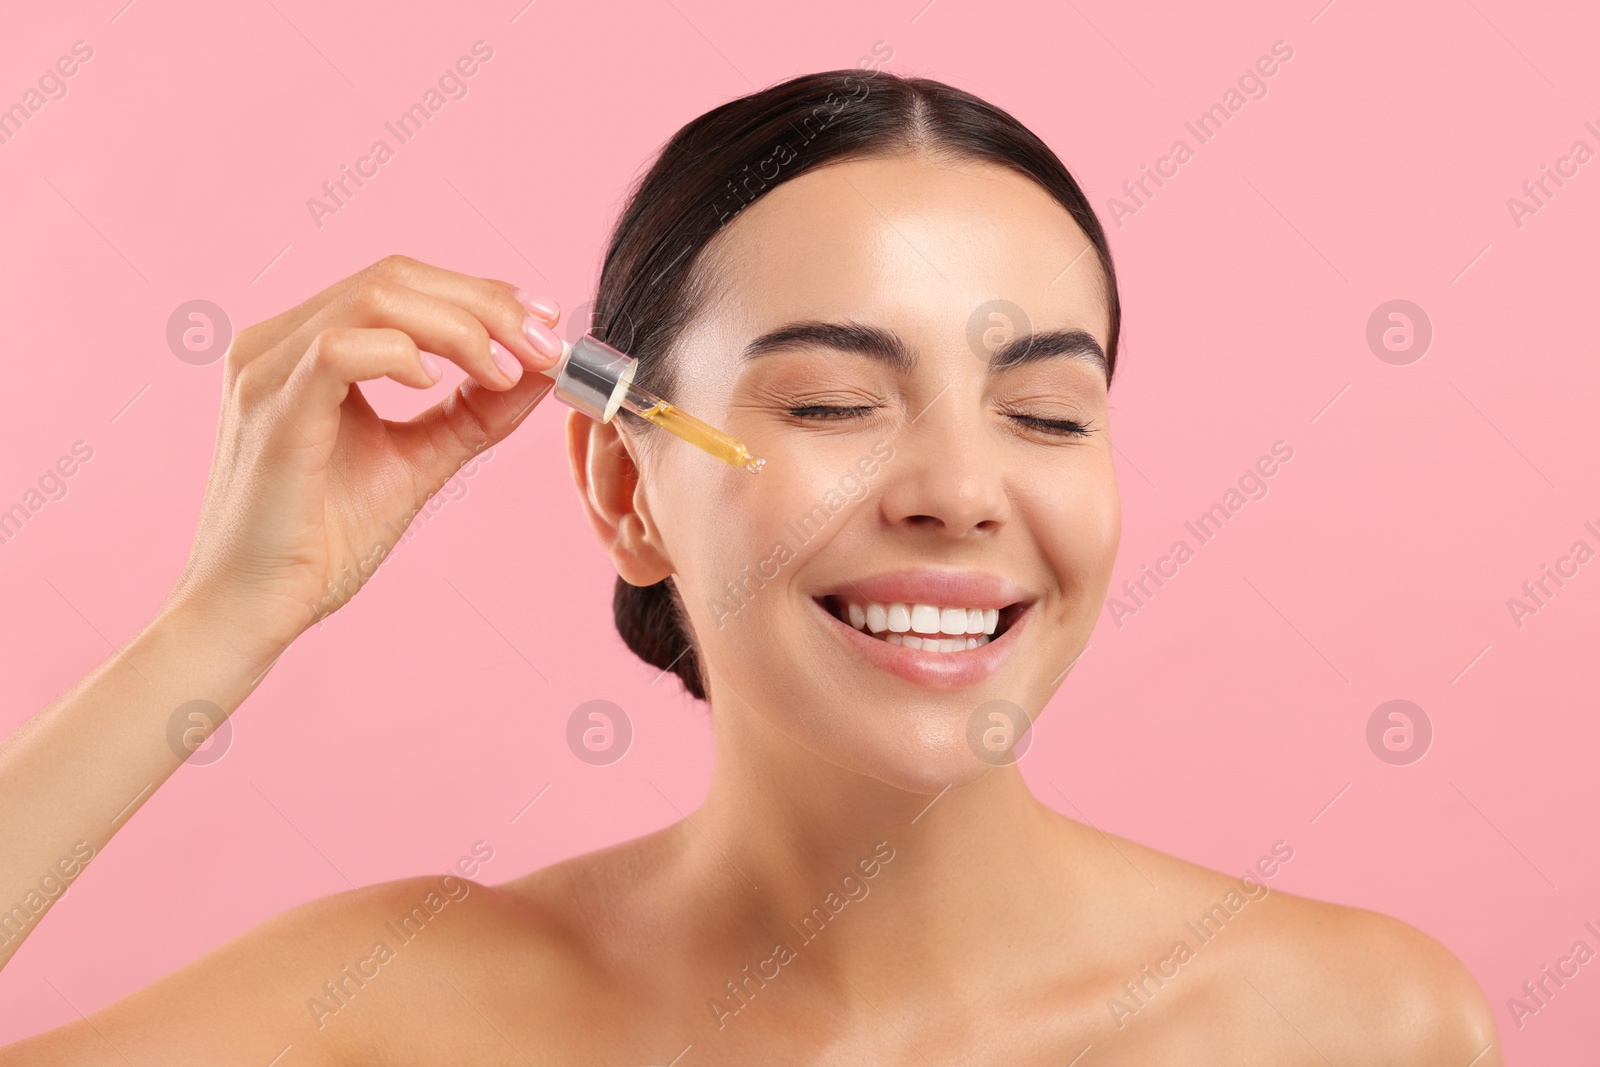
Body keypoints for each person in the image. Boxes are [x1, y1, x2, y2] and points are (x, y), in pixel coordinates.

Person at [0, 68, 1498, 1064]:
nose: (963, 492)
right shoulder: (396, 1012)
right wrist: (221, 623)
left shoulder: (1356, 1023)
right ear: (624, 482)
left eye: (1046, 412)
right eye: (838, 404)